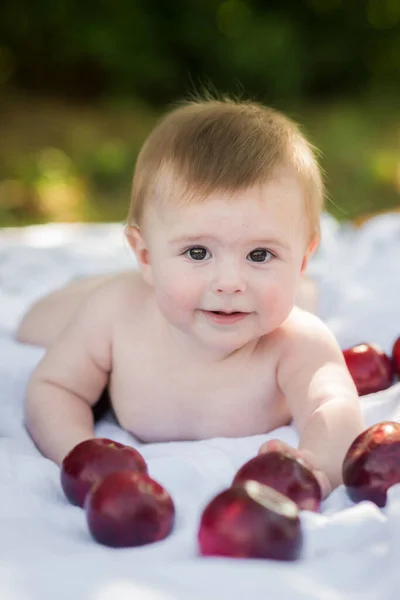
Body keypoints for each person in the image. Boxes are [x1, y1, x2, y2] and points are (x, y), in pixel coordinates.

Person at [16, 96, 365, 499]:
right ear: (144, 254)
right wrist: (80, 453)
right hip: (134, 295)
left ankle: (281, 282)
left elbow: (335, 410)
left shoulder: (297, 342)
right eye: (197, 252)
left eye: (260, 254)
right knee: (35, 323)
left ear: (304, 258)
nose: (229, 282)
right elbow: (54, 387)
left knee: (300, 302)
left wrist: (317, 464)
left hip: (246, 296)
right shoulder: (114, 318)